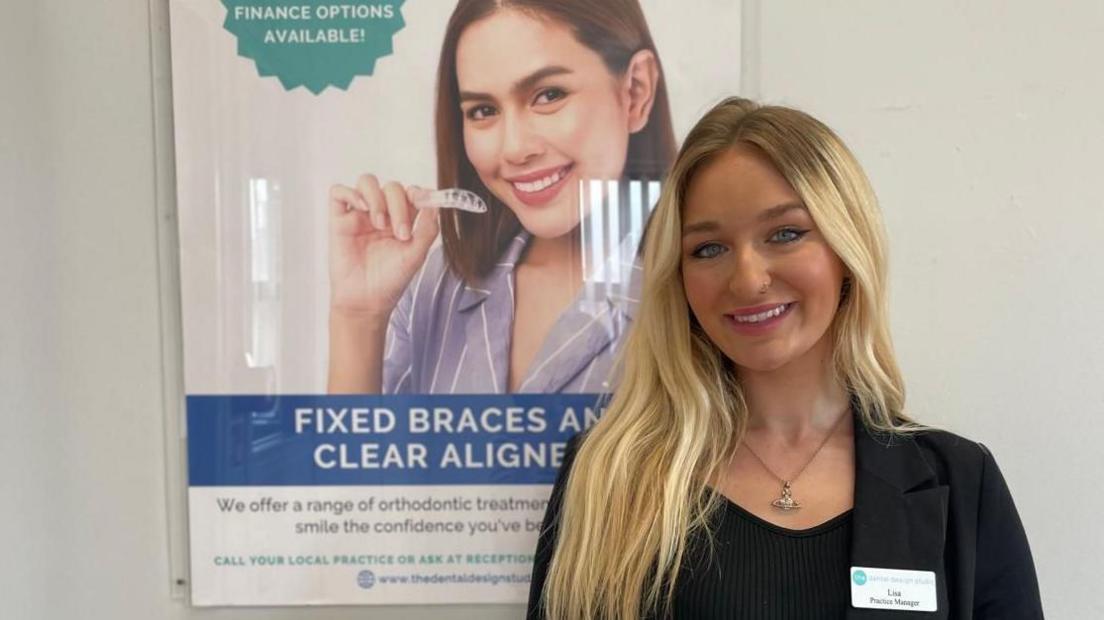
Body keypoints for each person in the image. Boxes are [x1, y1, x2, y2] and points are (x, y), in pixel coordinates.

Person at [527, 98, 1043, 619]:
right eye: (708, 248)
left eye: (786, 234)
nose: (748, 279)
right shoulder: (609, 475)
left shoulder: (958, 481)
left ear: (846, 250)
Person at [326, 0, 676, 394]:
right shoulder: (436, 283)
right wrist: (359, 317)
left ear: (635, 91)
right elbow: (363, 456)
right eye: (483, 110)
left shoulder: (697, 291)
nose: (513, 148)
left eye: (548, 95)